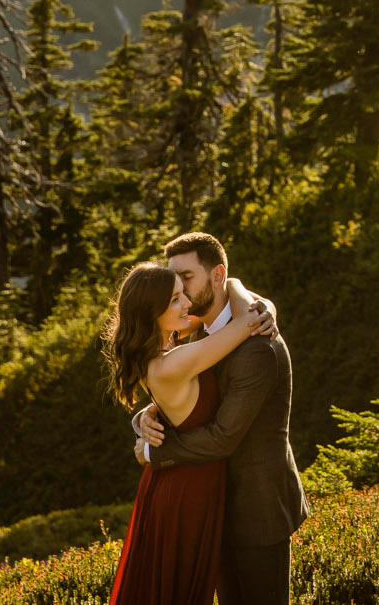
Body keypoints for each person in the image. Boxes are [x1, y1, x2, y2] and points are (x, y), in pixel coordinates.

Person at [132, 232, 309, 605]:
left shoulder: (258, 344)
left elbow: (223, 436)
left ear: (217, 275)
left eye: (187, 278)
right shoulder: (199, 333)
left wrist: (155, 452)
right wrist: (147, 415)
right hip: (213, 509)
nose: (178, 289)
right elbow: (186, 393)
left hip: (257, 512)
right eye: (174, 281)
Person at [102, 256, 276, 605]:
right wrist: (233, 283)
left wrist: (148, 415)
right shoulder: (174, 362)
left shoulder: (167, 347)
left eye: (184, 293)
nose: (188, 304)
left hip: (186, 482)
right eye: (176, 300)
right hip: (186, 491)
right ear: (152, 313)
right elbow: (248, 319)